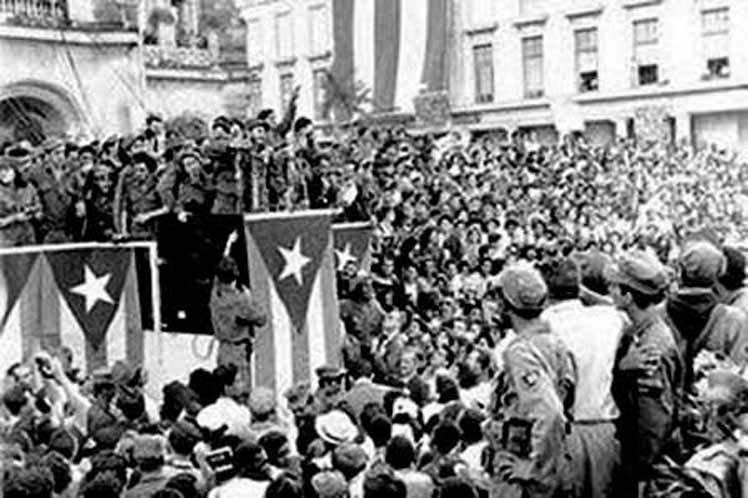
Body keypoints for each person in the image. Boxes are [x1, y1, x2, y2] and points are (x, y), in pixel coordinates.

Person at [540, 256, 623, 498]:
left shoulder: (541, 325)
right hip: (603, 432)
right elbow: (620, 307)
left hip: (561, 435)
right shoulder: (608, 318)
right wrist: (584, 293)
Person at [492, 262, 576, 498]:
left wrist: (532, 469)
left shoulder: (521, 353)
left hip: (523, 481)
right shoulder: (553, 342)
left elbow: (550, 413)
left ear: (505, 305)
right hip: (555, 467)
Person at [608, 250, 684, 496]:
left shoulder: (651, 346)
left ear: (628, 296)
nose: (610, 291)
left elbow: (654, 420)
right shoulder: (640, 330)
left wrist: (642, 472)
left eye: (614, 286)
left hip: (646, 464)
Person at [662, 240, 748, 384]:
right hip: (711, 395)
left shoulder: (658, 313)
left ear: (681, 272)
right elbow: (738, 375)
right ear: (717, 276)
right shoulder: (735, 320)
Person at [209, 231, 267, 390]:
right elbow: (262, 319)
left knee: (224, 387)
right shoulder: (240, 301)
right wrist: (249, 297)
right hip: (237, 351)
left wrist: (229, 244)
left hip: (223, 348)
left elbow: (221, 267)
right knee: (240, 390)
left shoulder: (216, 292)